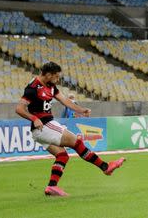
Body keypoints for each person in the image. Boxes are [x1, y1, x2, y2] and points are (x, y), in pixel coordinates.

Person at [16, 61, 125, 197]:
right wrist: (34, 118)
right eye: (56, 76)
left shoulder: (51, 86)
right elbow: (19, 109)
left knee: (62, 155)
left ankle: (51, 187)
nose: (58, 79)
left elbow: (65, 101)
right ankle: (105, 167)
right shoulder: (33, 88)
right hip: (44, 125)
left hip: (41, 130)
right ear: (48, 75)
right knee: (77, 142)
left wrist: (81, 110)